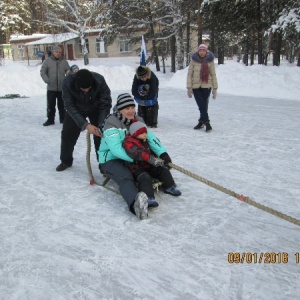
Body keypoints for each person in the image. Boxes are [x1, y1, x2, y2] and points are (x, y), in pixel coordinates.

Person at [98, 93, 173, 220]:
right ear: (119, 109)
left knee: (149, 170)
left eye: (132, 107)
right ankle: (135, 205)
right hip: (111, 159)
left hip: (136, 156)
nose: (131, 111)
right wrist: (141, 159)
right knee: (126, 177)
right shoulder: (112, 123)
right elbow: (116, 149)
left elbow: (150, 138)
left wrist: (162, 153)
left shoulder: (138, 120)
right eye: (127, 108)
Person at [56, 69, 112, 172]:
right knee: (67, 134)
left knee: (100, 134)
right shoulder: (68, 82)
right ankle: (65, 161)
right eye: (83, 89)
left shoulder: (99, 80)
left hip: (96, 107)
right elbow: (69, 105)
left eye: (89, 88)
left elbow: (105, 102)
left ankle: (104, 165)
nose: (86, 91)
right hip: (76, 108)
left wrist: (100, 123)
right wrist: (85, 124)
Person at [123, 121, 181, 208]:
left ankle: (169, 186)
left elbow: (152, 150)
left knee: (162, 169)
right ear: (135, 134)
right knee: (145, 177)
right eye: (141, 133)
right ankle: (149, 197)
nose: (145, 135)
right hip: (136, 167)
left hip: (148, 164)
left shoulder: (145, 140)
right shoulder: (129, 142)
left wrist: (160, 158)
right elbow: (138, 153)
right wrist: (151, 159)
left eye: (145, 132)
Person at [186, 43, 218, 132]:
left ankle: (201, 122)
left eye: (204, 50)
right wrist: (189, 87)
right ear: (198, 51)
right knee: (201, 104)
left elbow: (213, 74)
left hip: (207, 86)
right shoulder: (193, 60)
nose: (202, 52)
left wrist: (215, 88)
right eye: (200, 50)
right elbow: (190, 74)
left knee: (203, 105)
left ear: (206, 51)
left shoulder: (210, 61)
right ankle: (207, 123)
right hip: (196, 86)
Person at [40, 45, 70, 126]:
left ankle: (63, 120)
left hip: (61, 88)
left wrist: (68, 72)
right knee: (51, 105)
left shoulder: (64, 62)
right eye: (57, 52)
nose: (58, 53)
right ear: (53, 52)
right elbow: (43, 72)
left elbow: (68, 71)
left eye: (60, 52)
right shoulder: (47, 61)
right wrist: (47, 80)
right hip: (51, 88)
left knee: (62, 105)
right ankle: (50, 119)